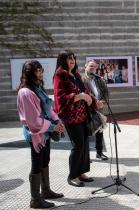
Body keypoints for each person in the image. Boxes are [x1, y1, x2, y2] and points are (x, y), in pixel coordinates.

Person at [17, 60, 64, 208]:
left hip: (45, 132)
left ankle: (46, 191)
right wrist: (53, 127)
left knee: (45, 161)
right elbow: (33, 121)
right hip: (36, 134)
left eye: (41, 70)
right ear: (29, 73)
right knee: (36, 164)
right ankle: (35, 199)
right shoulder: (25, 92)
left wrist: (57, 121)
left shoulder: (38, 88)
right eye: (37, 71)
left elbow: (48, 109)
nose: (41, 73)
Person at [53, 50, 103, 187]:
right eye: (69, 58)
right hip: (71, 117)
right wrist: (79, 97)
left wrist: (94, 101)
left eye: (74, 58)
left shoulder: (75, 75)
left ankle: (81, 172)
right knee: (78, 145)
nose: (72, 61)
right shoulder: (59, 76)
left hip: (82, 115)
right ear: (63, 60)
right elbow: (60, 98)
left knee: (85, 143)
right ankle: (72, 176)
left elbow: (85, 92)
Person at [82, 60, 109, 161]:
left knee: (99, 131)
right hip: (87, 109)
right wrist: (94, 102)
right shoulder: (81, 79)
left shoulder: (99, 79)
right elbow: (83, 94)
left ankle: (99, 152)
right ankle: (86, 156)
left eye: (95, 67)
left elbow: (106, 92)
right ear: (85, 66)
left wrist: (102, 101)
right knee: (85, 132)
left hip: (99, 109)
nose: (93, 68)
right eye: (91, 66)